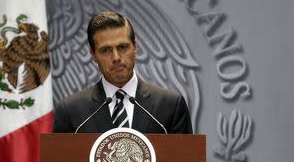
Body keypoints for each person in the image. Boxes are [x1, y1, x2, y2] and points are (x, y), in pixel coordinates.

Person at [53, 11, 193, 134]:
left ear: (135, 47)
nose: (116, 58)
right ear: (93, 54)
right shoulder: (70, 111)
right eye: (106, 50)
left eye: (122, 47)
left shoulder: (170, 105)